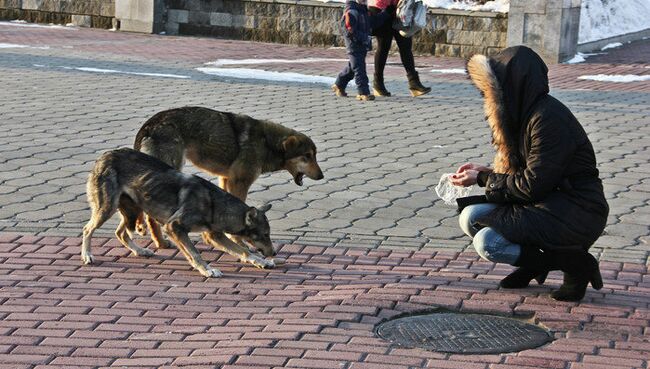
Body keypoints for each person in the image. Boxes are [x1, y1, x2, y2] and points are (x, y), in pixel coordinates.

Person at [450, 46, 609, 302]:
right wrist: (487, 172)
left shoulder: (548, 119)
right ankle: (537, 261)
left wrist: (482, 180)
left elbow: (531, 185)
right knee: (470, 216)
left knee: (489, 243)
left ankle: (576, 265)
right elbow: (531, 175)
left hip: (576, 209)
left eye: (496, 88)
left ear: (513, 84)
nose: (490, 95)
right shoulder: (522, 113)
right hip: (547, 201)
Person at [368, 0, 431, 97]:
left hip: (400, 9)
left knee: (405, 45)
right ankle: (378, 84)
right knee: (384, 45)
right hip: (381, 8)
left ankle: (414, 83)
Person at [333, 0, 389, 101]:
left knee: (352, 68)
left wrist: (385, 13)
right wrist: (364, 38)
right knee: (360, 69)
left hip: (362, 45)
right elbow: (350, 31)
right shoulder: (351, 11)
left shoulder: (364, 11)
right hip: (354, 45)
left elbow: (373, 22)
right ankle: (363, 92)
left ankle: (339, 84)